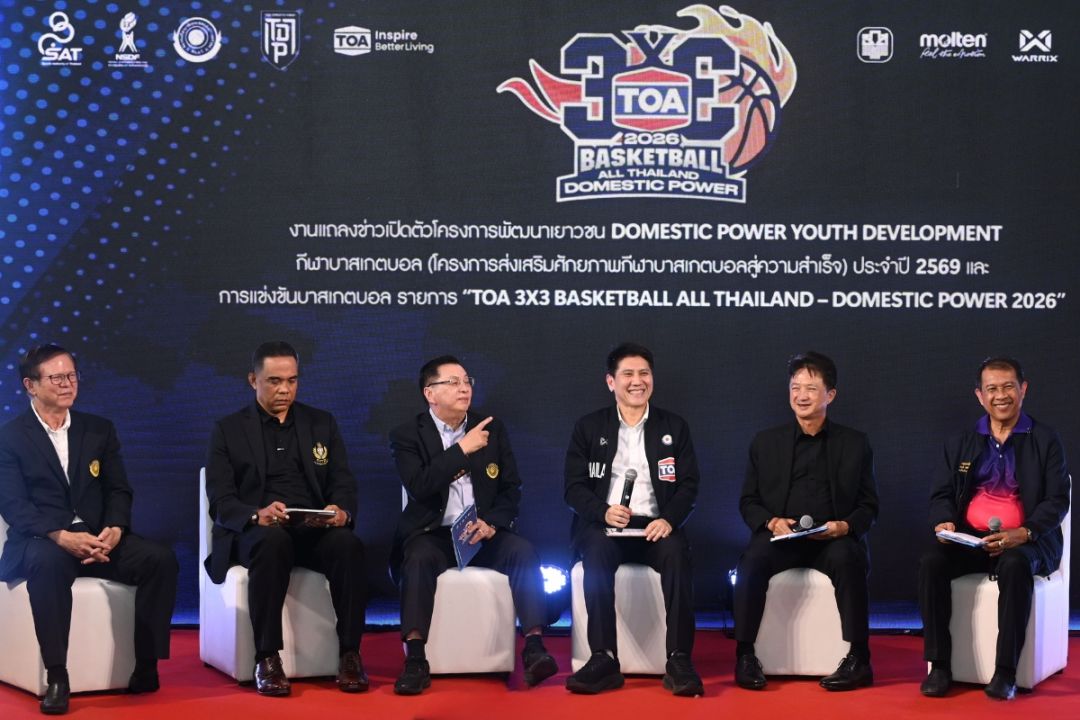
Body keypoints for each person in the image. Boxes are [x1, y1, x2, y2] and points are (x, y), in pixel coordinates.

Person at [0, 344, 178, 715]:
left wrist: (115, 527)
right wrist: (60, 535)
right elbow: (14, 504)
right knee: (47, 565)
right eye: (57, 378)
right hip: (44, 540)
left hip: (99, 538)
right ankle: (57, 675)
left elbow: (118, 489)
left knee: (159, 560)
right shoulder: (11, 437)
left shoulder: (99, 429)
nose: (68, 384)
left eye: (72, 375)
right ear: (30, 385)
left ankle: (146, 665)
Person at [204, 341, 368, 696]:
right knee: (272, 541)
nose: (285, 389)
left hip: (311, 529)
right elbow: (220, 499)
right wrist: (256, 514)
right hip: (258, 531)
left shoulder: (321, 423)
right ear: (253, 380)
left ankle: (350, 653)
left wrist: (340, 511)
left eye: (292, 381)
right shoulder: (228, 429)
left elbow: (342, 481)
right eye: (275, 381)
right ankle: (266, 657)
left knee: (347, 544)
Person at [389, 355, 557, 695]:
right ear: (430, 393)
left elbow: (511, 488)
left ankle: (534, 647)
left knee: (522, 552)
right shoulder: (407, 435)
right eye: (453, 382)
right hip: (433, 533)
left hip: (481, 531)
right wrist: (461, 449)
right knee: (417, 559)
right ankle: (416, 660)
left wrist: (492, 523)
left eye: (467, 381)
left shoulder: (491, 428)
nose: (464, 388)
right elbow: (419, 485)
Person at [918, 357, 1070, 701]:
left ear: (1023, 389)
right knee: (931, 562)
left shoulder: (1045, 440)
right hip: (971, 539)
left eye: (1008, 387)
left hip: (1028, 540)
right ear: (980, 395)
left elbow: (1057, 499)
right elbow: (941, 494)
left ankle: (1005, 672)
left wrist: (1025, 532)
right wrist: (944, 520)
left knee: (1015, 565)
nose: (1000, 395)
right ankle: (939, 666)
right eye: (992, 389)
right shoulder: (962, 441)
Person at [563, 342, 703, 696]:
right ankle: (603, 657)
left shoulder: (674, 426)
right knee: (595, 553)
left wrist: (668, 519)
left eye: (644, 373)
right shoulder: (589, 427)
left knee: (677, 555)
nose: (637, 381)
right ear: (611, 381)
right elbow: (573, 488)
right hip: (605, 524)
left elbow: (689, 484)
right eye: (628, 374)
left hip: (656, 525)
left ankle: (679, 658)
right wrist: (602, 511)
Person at [734, 351, 878, 692]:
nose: (801, 395)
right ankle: (745, 655)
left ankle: (859, 659)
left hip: (832, 538)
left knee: (848, 558)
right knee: (751, 562)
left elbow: (869, 505)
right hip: (782, 536)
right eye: (795, 387)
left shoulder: (854, 443)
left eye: (811, 388)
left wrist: (844, 526)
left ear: (830, 395)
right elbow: (748, 501)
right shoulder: (765, 442)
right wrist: (771, 521)